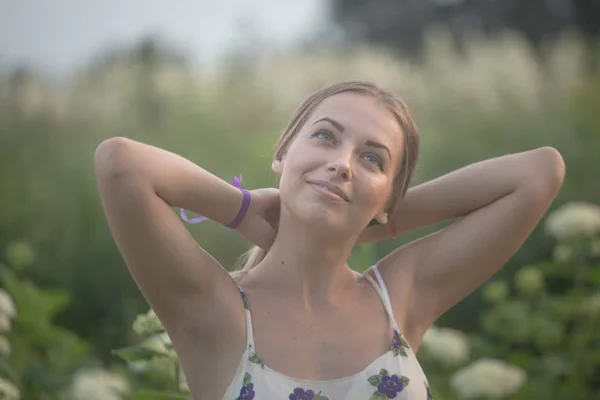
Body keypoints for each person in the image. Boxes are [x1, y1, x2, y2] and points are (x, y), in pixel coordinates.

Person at [94, 81, 565, 399]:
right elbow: (120, 163)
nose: (342, 163)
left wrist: (372, 216)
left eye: (373, 160)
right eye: (325, 136)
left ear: (390, 195)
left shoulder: (399, 297)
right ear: (283, 152)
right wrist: (240, 209)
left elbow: (540, 172)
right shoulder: (216, 311)